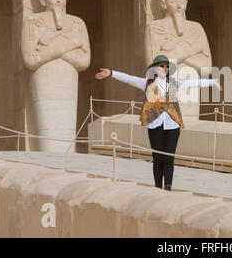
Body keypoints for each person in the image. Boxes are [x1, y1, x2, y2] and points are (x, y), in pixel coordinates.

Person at [95, 55, 222, 191]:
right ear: (155, 68)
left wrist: (212, 82)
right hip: (155, 125)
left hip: (172, 125)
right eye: (162, 66)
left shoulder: (173, 83)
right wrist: (112, 73)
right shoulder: (147, 83)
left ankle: (168, 187)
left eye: (166, 66)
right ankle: (157, 187)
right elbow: (129, 79)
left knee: (169, 159)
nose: (165, 68)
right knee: (157, 159)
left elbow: (191, 83)